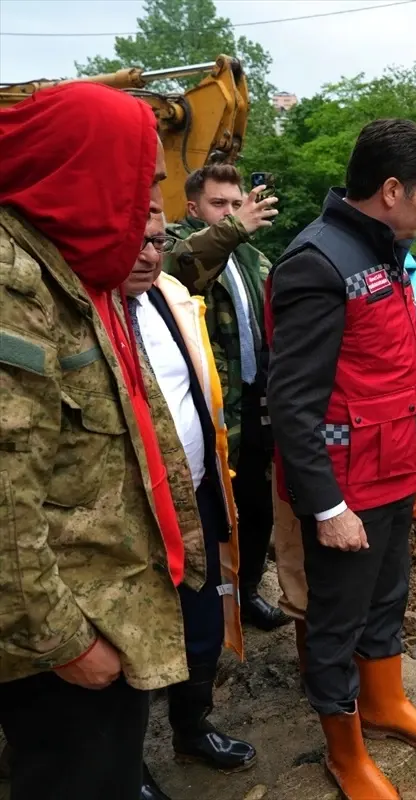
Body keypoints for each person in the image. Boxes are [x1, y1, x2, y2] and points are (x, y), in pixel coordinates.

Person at [266, 118, 416, 800]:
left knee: (387, 600)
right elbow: (292, 404)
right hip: (347, 482)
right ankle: (344, 753)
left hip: (395, 464)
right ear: (393, 189)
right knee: (336, 622)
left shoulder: (386, 253)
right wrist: (326, 505)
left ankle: (383, 703)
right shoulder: (318, 262)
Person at [0, 83, 206, 800]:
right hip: (66, 640)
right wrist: (64, 642)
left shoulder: (75, 272)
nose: (152, 206)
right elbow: (4, 506)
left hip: (109, 610)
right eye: (142, 183)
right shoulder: (15, 284)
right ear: (85, 172)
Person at [122, 213, 257, 798]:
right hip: (131, 514)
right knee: (132, 637)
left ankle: (191, 727)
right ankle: (125, 769)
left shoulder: (167, 299)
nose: (148, 255)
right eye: (134, 242)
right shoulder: (85, 309)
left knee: (200, 621)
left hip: (195, 492)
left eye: (155, 241)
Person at [163, 166, 289, 631]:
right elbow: (181, 268)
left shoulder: (254, 258)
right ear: (194, 207)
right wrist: (233, 229)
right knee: (206, 511)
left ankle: (247, 592)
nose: (233, 212)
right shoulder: (177, 244)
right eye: (221, 204)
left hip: (255, 404)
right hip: (206, 409)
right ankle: (201, 607)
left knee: (256, 509)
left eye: (238, 203)